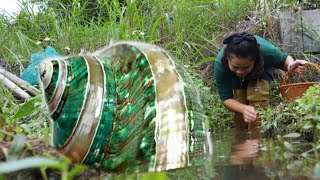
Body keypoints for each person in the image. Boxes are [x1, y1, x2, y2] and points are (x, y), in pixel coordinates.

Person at [214, 32, 307, 131]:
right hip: (235, 79)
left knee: (257, 97)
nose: (240, 71)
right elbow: (227, 99)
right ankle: (241, 138)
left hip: (262, 70)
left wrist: (291, 66)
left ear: (255, 59)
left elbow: (284, 60)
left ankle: (259, 139)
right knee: (239, 102)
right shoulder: (220, 64)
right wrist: (244, 109)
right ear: (228, 59)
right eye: (235, 67)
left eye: (245, 67)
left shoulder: (266, 51)